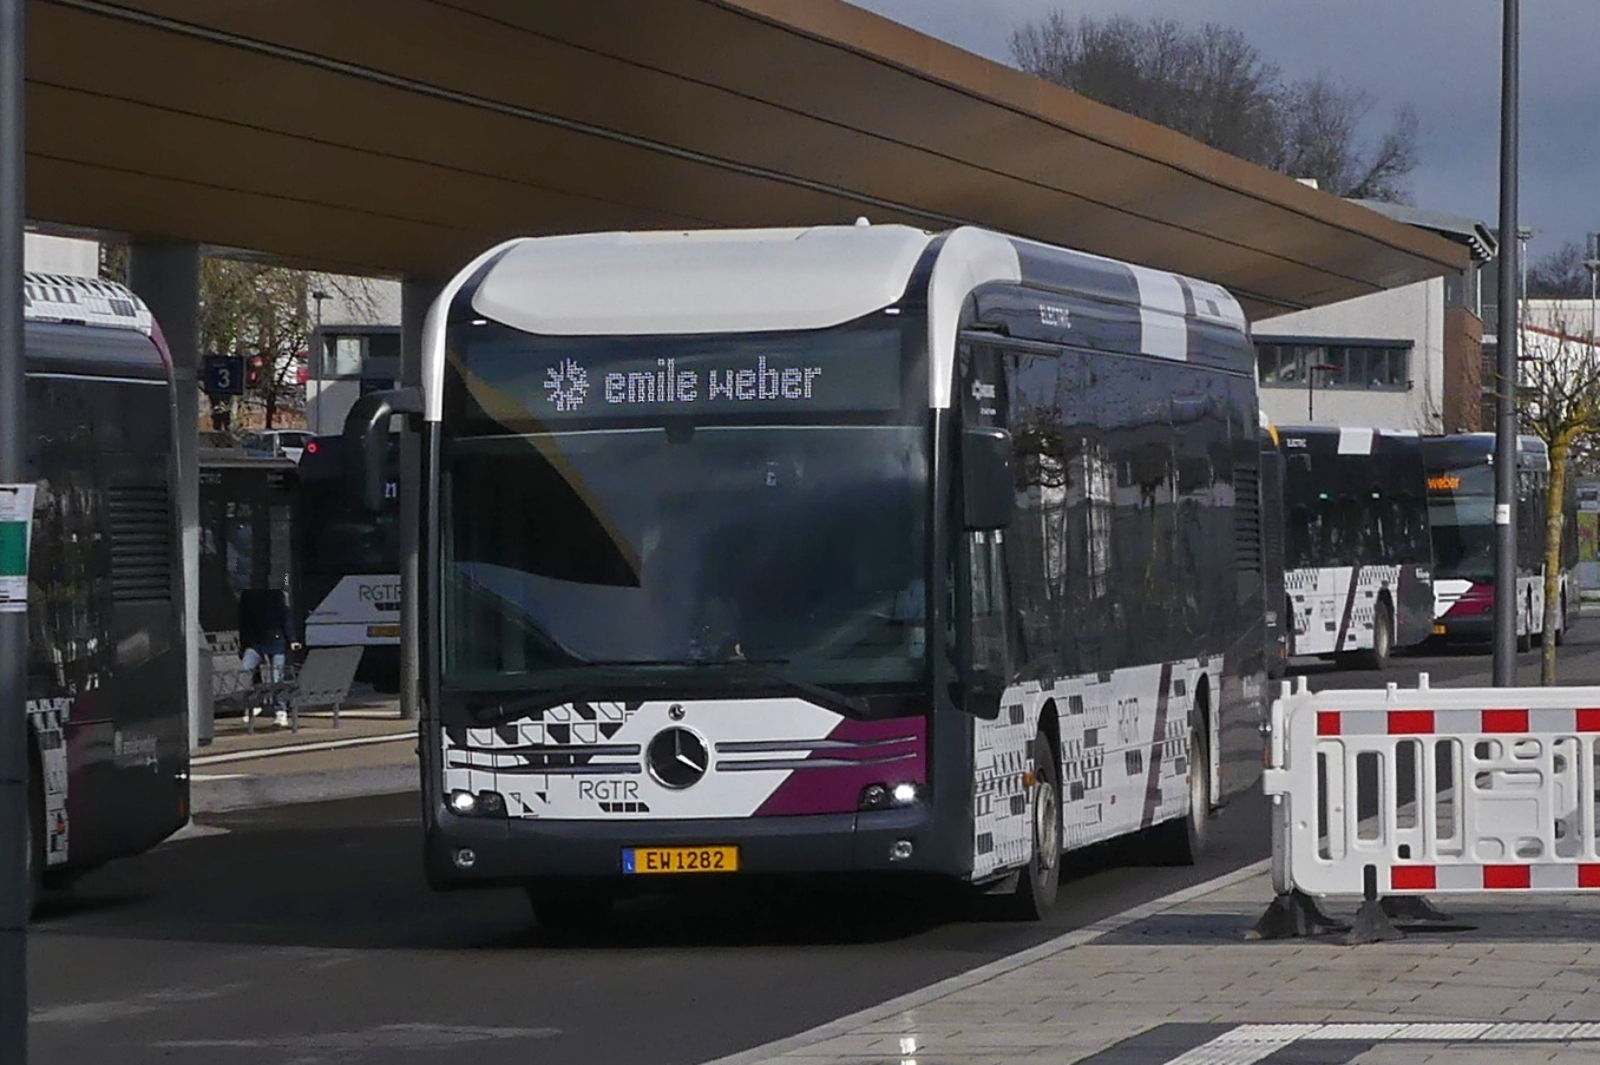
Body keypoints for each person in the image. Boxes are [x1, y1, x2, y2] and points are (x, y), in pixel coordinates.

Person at [237, 588, 301, 727]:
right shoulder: (250, 600)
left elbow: (285, 620)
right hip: (257, 641)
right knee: (245, 670)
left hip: (273, 640)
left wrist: (292, 639)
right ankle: (254, 703)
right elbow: (245, 625)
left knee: (276, 677)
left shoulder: (270, 600)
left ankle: (281, 711)